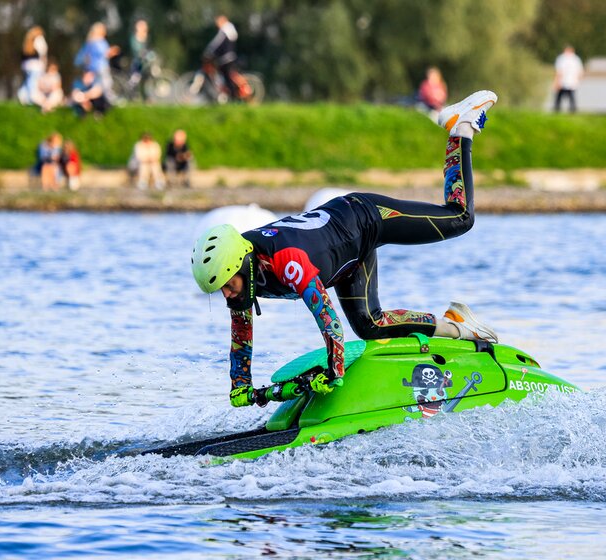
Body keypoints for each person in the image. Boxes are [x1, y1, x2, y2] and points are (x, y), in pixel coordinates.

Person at [191, 90, 499, 407]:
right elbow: (241, 334)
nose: (228, 294)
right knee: (370, 325)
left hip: (367, 217)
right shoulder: (241, 274)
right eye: (221, 290)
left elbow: (329, 320)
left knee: (460, 218)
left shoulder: (287, 261)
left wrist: (334, 371)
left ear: (240, 265)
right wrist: (241, 385)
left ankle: (460, 127)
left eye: (228, 285)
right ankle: (458, 327)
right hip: (347, 257)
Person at [74, 22, 120, 97]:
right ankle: (83, 96)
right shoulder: (99, 41)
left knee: (98, 86)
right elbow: (104, 54)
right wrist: (113, 51)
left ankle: (82, 96)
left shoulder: (90, 41)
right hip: (100, 67)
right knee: (106, 84)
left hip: (93, 68)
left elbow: (87, 56)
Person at [203, 14, 240, 99]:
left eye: (218, 22)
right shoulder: (230, 30)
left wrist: (209, 51)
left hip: (226, 58)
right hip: (228, 57)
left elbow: (217, 43)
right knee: (226, 76)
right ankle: (229, 95)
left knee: (227, 78)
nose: (217, 25)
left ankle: (233, 96)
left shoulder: (225, 31)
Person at [17, 26, 47, 106]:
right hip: (36, 66)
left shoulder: (28, 40)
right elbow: (42, 53)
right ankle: (31, 99)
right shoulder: (39, 39)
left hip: (26, 65)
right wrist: (44, 65)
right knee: (33, 85)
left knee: (27, 83)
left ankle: (22, 96)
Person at [553, 45, 584, 113]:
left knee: (559, 98)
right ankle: (572, 111)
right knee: (571, 98)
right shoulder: (576, 59)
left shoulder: (561, 58)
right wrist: (578, 80)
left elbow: (559, 71)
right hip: (572, 82)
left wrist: (557, 82)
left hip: (563, 81)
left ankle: (557, 111)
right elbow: (580, 72)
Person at [128, 19, 151, 100]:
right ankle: (131, 94)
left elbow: (147, 49)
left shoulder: (146, 37)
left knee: (146, 80)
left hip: (145, 62)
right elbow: (136, 50)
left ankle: (146, 97)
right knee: (135, 78)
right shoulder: (134, 38)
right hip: (138, 61)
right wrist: (142, 54)